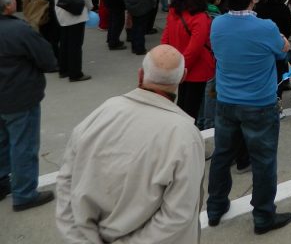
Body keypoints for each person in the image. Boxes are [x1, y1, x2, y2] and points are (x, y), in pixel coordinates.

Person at [56, 45, 205, 242]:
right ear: (183, 77)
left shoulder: (103, 112)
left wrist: (81, 238)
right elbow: (178, 216)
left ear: (141, 74)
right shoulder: (186, 136)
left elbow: (66, 181)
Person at [206, 0, 291, 233]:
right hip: (259, 103)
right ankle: (263, 215)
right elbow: (283, 50)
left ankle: (215, 205)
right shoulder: (264, 27)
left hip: (226, 101)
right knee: (263, 159)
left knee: (222, 155)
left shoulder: (218, 24)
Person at [0, 0, 57, 212]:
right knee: (23, 145)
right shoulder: (18, 30)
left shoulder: (16, 29)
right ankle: (24, 194)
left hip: (8, 95)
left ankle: (2, 181)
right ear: (8, 6)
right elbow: (46, 58)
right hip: (19, 96)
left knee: (2, 141)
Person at [160, 0, 214, 120]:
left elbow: (166, 37)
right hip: (197, 69)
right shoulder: (200, 17)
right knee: (192, 110)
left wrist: (169, 63)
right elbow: (195, 48)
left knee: (183, 103)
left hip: (179, 66)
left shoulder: (174, 11)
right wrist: (182, 67)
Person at [51, 0, 93, 82]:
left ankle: (64, 69)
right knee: (75, 44)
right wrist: (90, 7)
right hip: (75, 12)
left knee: (64, 42)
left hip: (61, 11)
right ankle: (75, 73)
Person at [254, 0, 291, 105]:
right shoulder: (283, 8)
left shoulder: (257, 8)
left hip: (261, 49)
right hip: (279, 48)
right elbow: (288, 29)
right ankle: (277, 101)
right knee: (278, 76)